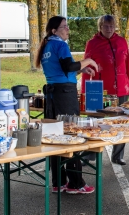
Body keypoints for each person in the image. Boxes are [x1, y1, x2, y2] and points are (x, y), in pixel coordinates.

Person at [36, 16, 98, 194]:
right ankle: (76, 183)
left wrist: (80, 69)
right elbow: (68, 66)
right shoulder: (60, 45)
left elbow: (62, 69)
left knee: (55, 137)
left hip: (53, 94)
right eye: (64, 27)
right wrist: (88, 61)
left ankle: (58, 181)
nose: (68, 29)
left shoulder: (48, 46)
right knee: (72, 134)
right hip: (65, 94)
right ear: (54, 30)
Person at [81, 15, 129, 166]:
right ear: (100, 27)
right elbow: (86, 68)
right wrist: (85, 91)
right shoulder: (92, 43)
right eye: (106, 26)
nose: (109, 29)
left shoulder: (122, 41)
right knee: (96, 122)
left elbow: (128, 64)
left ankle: (118, 155)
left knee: (121, 122)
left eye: (112, 26)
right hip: (101, 90)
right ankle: (89, 154)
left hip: (122, 89)